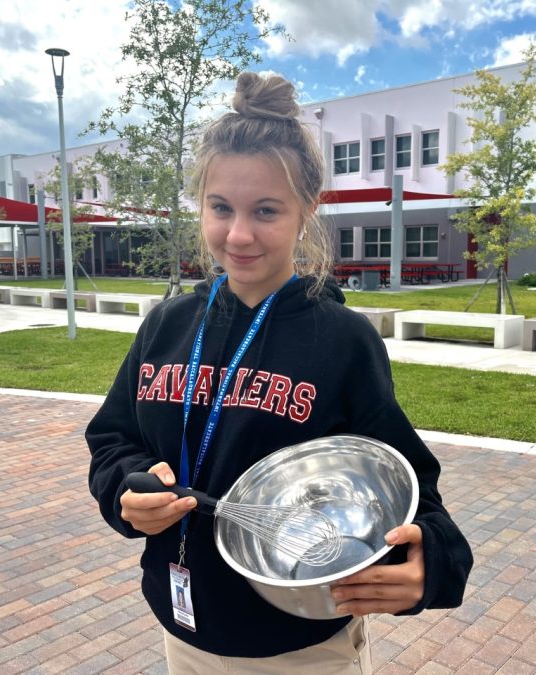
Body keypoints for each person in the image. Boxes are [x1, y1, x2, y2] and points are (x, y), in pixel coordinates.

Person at [87, 71, 473, 674]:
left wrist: (434, 564)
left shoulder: (342, 339)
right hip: (183, 631)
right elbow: (113, 439)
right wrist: (125, 490)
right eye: (221, 208)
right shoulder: (167, 326)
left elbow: (405, 478)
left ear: (306, 211)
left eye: (265, 210)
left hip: (299, 648)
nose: (238, 235)